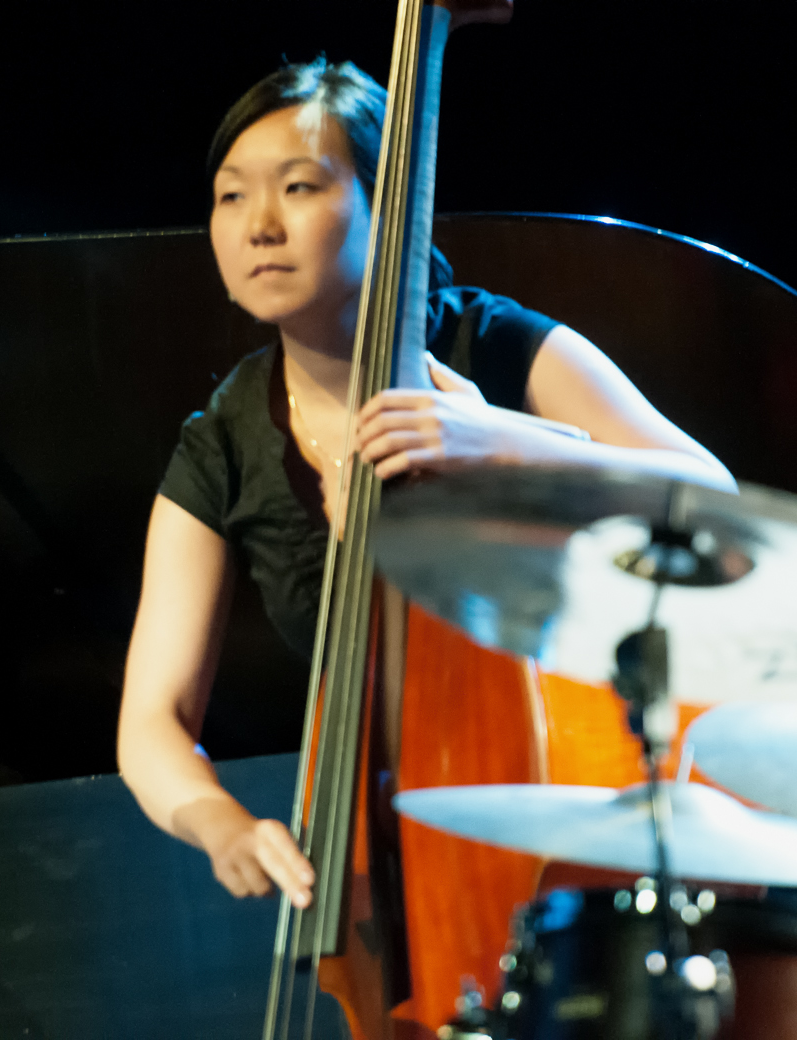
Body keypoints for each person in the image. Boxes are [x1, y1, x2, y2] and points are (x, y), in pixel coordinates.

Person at [116, 57, 734, 913]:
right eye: (230, 195)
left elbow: (710, 493)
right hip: (394, 850)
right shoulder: (224, 442)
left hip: (591, 804)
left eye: (297, 187)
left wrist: (509, 441)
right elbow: (150, 720)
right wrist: (220, 822)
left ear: (392, 208)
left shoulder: (500, 347)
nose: (258, 224)